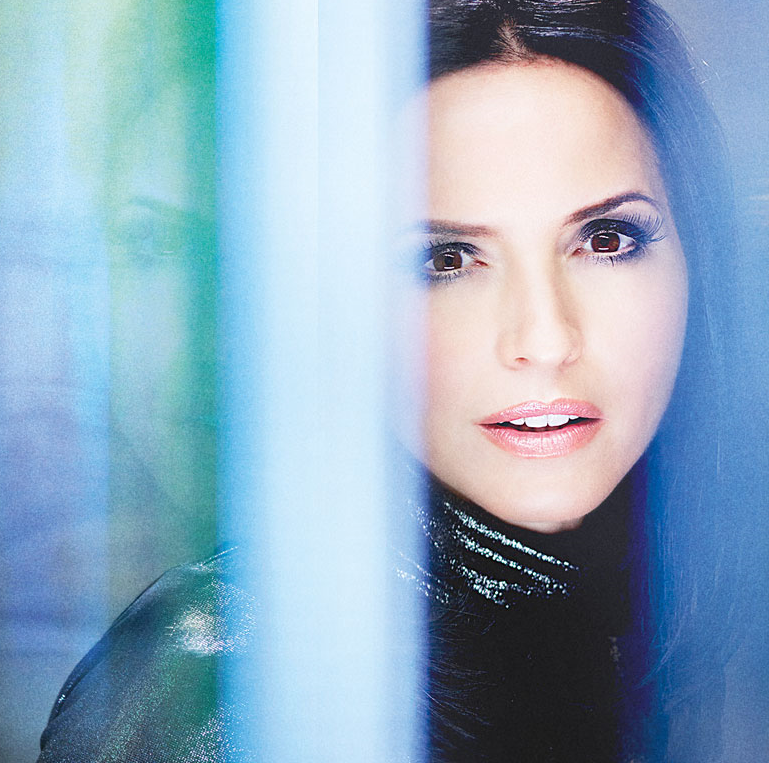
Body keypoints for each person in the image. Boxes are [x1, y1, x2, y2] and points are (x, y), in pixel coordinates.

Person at [37, 1, 750, 761]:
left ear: (696, 256)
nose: (544, 339)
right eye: (444, 259)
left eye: (606, 239)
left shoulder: (687, 606)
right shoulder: (223, 682)